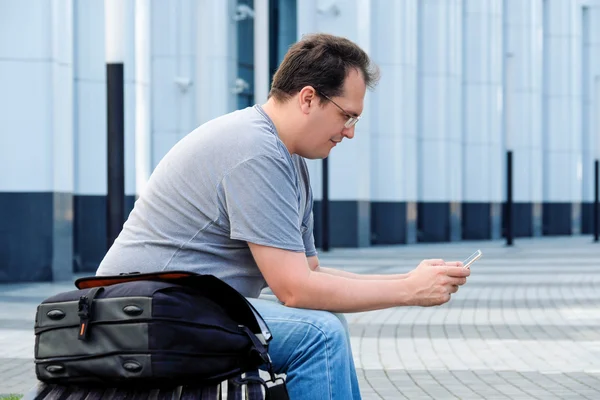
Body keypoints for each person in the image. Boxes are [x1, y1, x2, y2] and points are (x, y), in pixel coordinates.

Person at [97, 33, 470, 399]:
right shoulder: (254, 150)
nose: (349, 132)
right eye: (347, 116)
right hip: (139, 313)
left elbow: (308, 273)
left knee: (328, 323)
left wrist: (409, 278)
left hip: (175, 305)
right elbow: (294, 291)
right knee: (318, 335)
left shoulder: (286, 157)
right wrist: (409, 291)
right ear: (308, 98)